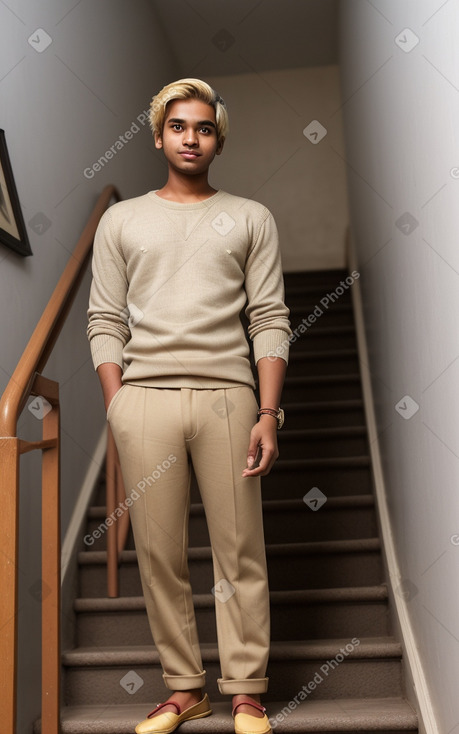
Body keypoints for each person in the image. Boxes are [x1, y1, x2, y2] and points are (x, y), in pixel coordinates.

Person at [87, 78, 291, 734]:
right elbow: (103, 319)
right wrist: (118, 403)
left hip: (230, 400)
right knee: (159, 551)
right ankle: (184, 688)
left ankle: (245, 690)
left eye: (203, 128)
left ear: (217, 140)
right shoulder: (121, 220)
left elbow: (269, 317)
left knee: (239, 549)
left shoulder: (252, 217)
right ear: (157, 135)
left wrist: (267, 413)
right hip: (144, 399)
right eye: (178, 126)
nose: (190, 137)